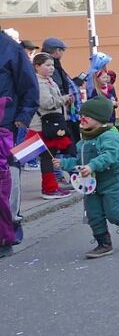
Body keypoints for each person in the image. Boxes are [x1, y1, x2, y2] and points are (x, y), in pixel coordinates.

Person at [59, 95, 119, 259]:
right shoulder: (85, 138)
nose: (82, 118)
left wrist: (92, 166)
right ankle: (104, 244)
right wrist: (63, 164)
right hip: (90, 185)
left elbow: (109, 155)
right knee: (93, 215)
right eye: (82, 115)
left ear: (99, 119)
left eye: (87, 116)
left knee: (115, 214)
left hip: (110, 183)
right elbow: (79, 161)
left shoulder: (109, 136)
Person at [0, 28, 38, 259]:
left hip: (6, 127)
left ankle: (7, 233)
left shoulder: (10, 48)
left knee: (6, 183)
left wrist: (22, 119)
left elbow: (29, 87)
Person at [31, 52, 75, 200]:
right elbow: (47, 103)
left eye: (52, 65)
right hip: (43, 126)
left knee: (51, 156)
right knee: (47, 158)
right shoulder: (39, 82)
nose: (51, 68)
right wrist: (64, 99)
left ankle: (52, 187)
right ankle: (49, 189)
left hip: (52, 124)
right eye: (47, 65)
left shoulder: (49, 80)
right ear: (37, 66)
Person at [42, 37, 81, 144]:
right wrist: (65, 98)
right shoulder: (52, 66)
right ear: (56, 50)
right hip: (61, 110)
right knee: (65, 141)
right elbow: (59, 86)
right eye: (62, 50)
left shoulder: (53, 64)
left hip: (65, 109)